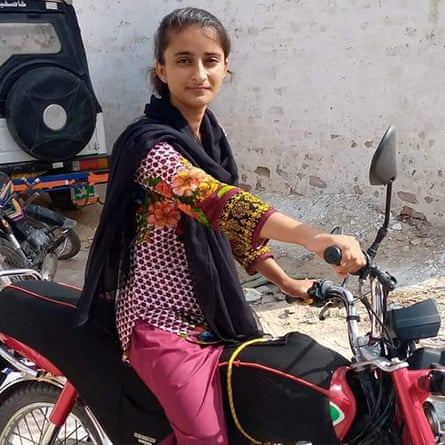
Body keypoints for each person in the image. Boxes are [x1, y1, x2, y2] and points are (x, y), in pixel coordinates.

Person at [78, 7, 366, 445]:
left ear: (226, 68)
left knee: (257, 421)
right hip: (160, 321)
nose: (198, 73)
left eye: (210, 60)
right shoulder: (151, 148)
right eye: (183, 60)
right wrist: (312, 237)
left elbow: (225, 233)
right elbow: (220, 205)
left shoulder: (210, 138)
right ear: (161, 69)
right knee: (207, 439)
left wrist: (285, 281)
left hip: (214, 312)